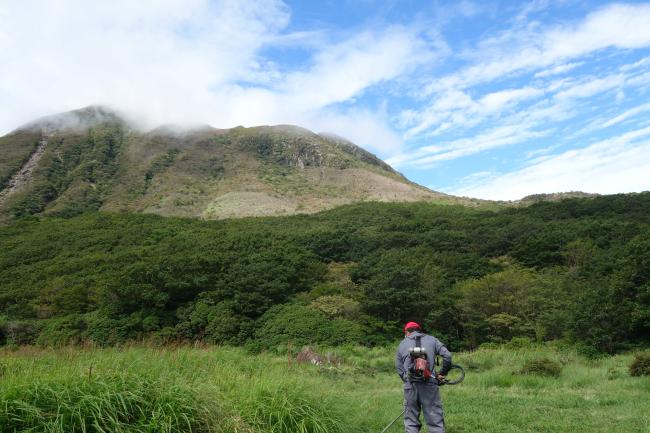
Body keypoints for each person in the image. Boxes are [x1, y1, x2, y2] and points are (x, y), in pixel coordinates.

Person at [395, 321, 452, 433]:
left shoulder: (402, 344)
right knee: (435, 422)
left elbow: (399, 368)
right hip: (430, 385)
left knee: (411, 423)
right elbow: (447, 356)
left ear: (406, 332)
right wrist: (442, 374)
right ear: (419, 330)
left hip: (410, 386)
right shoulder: (432, 340)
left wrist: (407, 380)